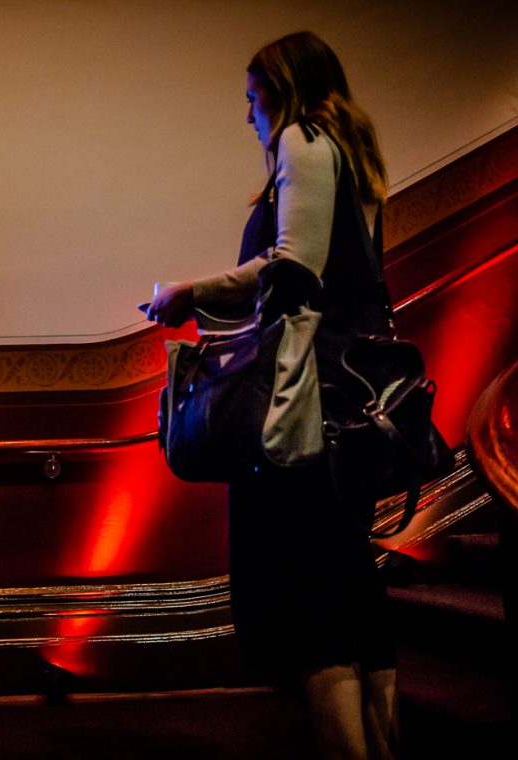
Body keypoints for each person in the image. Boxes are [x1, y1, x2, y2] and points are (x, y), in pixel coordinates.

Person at [147, 32, 400, 759]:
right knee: (355, 597)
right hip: (348, 409)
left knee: (309, 604)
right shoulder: (355, 161)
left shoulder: (302, 137)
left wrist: (187, 294)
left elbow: (294, 273)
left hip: (300, 414)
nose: (250, 117)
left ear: (285, 92)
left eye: (254, 99)